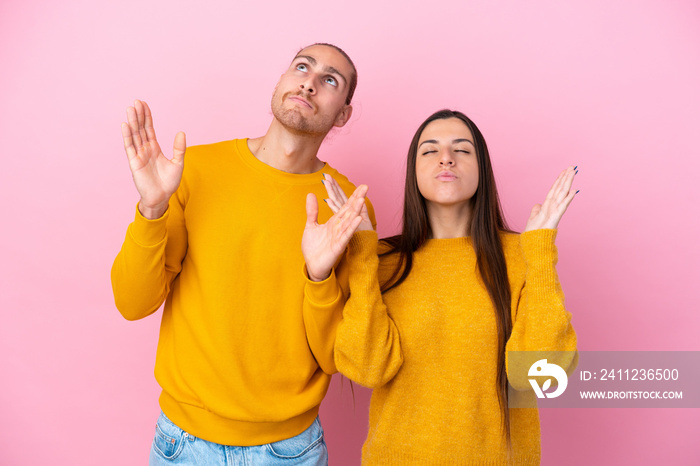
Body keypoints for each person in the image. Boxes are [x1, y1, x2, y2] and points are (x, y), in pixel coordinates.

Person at [111, 43, 375, 465]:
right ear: (281, 82)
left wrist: (319, 276)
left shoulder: (346, 208)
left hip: (291, 450)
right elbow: (132, 302)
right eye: (301, 67)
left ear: (342, 113)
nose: (309, 82)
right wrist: (152, 209)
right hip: (184, 444)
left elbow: (333, 356)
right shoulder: (193, 171)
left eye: (330, 80)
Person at [304, 109, 578, 464]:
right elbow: (367, 368)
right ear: (413, 171)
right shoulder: (383, 260)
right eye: (430, 150)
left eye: (462, 150)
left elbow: (539, 373)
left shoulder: (521, 255)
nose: (446, 158)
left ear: (482, 169)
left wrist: (540, 250)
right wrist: (361, 255)